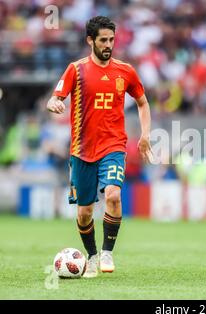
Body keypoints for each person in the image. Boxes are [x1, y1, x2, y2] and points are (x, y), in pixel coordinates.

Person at [46, 16, 153, 278]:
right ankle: (91, 256)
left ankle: (107, 252)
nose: (108, 45)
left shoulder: (125, 71)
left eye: (112, 40)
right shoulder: (76, 69)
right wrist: (55, 104)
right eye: (103, 40)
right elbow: (54, 98)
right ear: (90, 40)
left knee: (114, 195)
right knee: (84, 213)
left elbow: (143, 102)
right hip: (82, 150)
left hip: (113, 145)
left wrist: (145, 135)